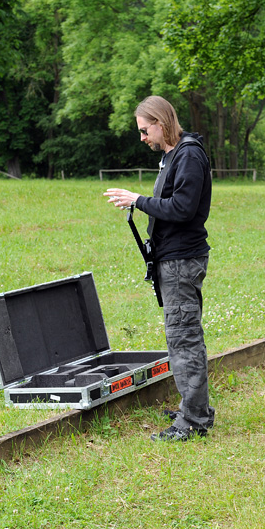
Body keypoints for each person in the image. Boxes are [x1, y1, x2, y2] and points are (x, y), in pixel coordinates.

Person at [104, 95, 215, 442]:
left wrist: (137, 200)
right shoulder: (172, 157)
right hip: (172, 259)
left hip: (182, 261)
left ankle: (193, 422)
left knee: (184, 339)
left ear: (160, 122)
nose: (142, 138)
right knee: (180, 336)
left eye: (144, 130)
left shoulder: (189, 155)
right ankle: (194, 408)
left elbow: (182, 208)